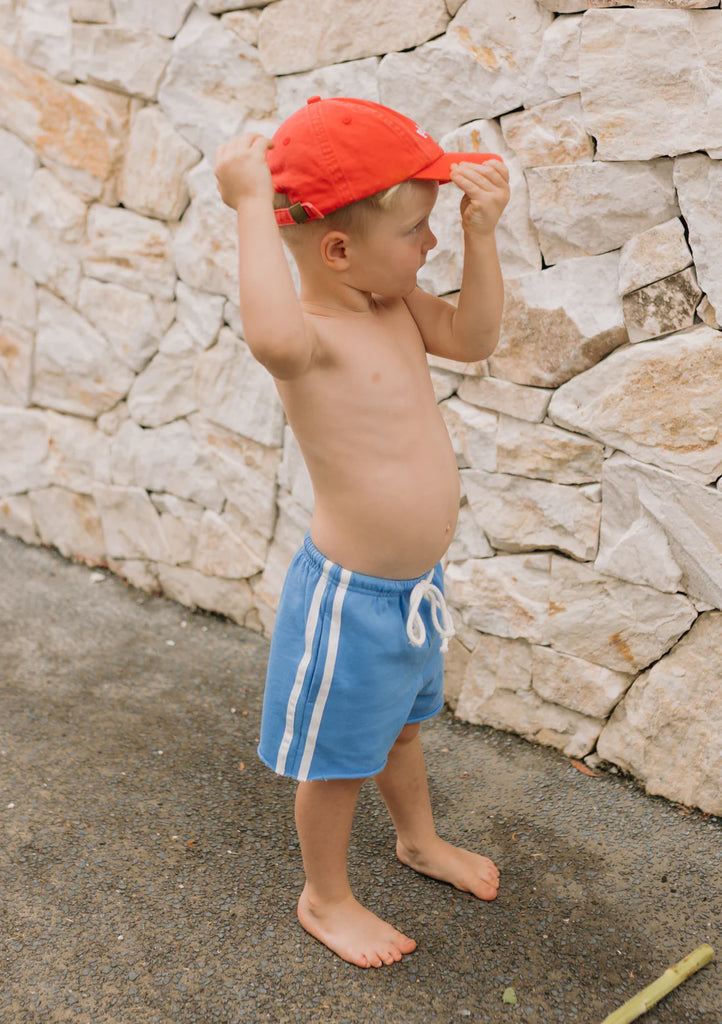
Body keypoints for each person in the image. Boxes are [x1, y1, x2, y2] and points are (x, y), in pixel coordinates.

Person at [215, 96, 510, 969]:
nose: (431, 246)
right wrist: (247, 205)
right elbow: (267, 330)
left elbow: (476, 335)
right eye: (419, 230)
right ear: (338, 250)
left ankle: (418, 842)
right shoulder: (312, 337)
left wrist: (484, 236)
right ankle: (326, 896)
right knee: (339, 763)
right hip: (350, 605)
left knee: (403, 730)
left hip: (414, 592)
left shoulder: (397, 304)